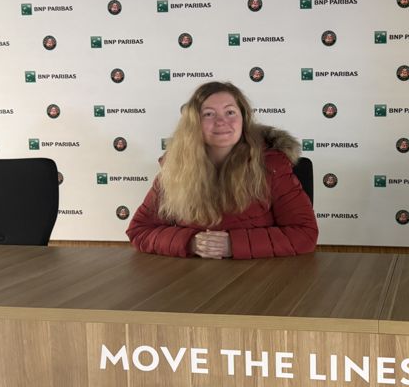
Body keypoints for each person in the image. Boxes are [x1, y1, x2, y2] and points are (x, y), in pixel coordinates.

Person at [127, 81, 318, 259]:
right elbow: (140, 231)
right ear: (194, 123)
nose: (221, 121)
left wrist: (233, 245)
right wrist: (191, 243)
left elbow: (305, 234)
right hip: (193, 276)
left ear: (243, 119)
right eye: (208, 114)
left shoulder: (272, 165)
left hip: (259, 274)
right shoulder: (176, 168)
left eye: (230, 112)